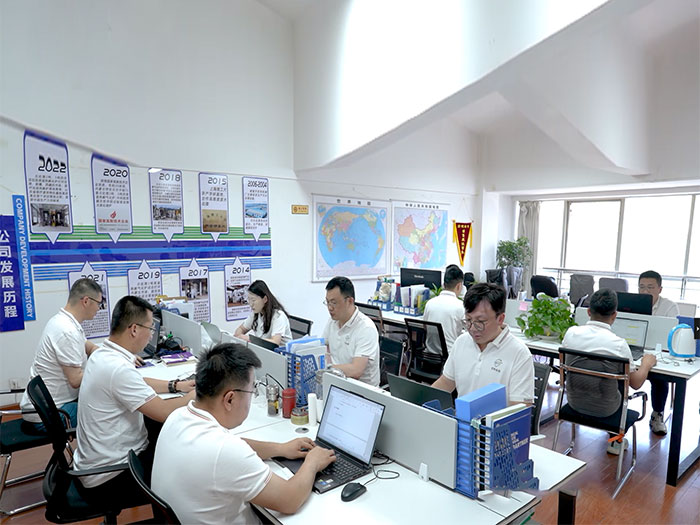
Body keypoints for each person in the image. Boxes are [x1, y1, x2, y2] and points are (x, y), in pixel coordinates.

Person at [152, 343, 336, 524]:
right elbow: (289, 500)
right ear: (230, 399)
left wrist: (280, 448)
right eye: (251, 390)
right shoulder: (224, 450)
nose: (251, 395)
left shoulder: (178, 416)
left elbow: (231, 445)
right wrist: (312, 462)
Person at [74, 295, 196, 508]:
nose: (151, 335)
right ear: (134, 329)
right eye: (151, 328)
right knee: (188, 467)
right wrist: (198, 394)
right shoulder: (117, 368)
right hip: (111, 476)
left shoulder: (103, 355)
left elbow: (136, 382)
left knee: (162, 434)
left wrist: (175, 385)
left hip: (96, 462)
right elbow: (164, 412)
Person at [561, 288, 657, 454]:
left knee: (611, 374)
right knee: (619, 379)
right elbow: (636, 383)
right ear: (614, 315)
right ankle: (615, 441)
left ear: (589, 311)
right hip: (607, 410)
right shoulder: (618, 344)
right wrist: (646, 364)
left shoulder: (571, 333)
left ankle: (614, 440)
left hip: (574, 403)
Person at [19, 278, 103, 429]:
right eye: (99, 303)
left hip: (45, 404)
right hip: (50, 414)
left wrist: (112, 355)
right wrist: (105, 367)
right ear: (86, 301)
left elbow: (88, 347)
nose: (99, 308)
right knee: (105, 409)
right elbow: (76, 380)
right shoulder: (67, 331)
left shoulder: (64, 321)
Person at [432, 283, 534, 405]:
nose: (472, 328)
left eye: (480, 322)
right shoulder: (461, 342)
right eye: (468, 320)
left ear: (500, 319)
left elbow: (520, 408)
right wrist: (421, 401)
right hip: (462, 416)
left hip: (496, 418)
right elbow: (446, 382)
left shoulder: (519, 354)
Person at [638, 270, 680, 436]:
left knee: (660, 378)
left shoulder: (669, 307)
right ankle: (618, 415)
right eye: (641, 287)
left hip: (659, 353)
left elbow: (672, 335)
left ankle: (657, 415)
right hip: (635, 350)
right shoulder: (632, 303)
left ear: (660, 289)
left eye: (650, 287)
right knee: (618, 369)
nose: (645, 291)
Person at [322, 276, 380, 386]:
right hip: (337, 382)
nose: (330, 308)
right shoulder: (333, 321)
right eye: (328, 302)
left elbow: (356, 370)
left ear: (349, 301)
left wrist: (326, 368)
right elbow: (323, 345)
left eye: (334, 303)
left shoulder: (366, 328)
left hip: (361, 390)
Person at [422, 264, 465, 354]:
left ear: (444, 284)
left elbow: (425, 327)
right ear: (459, 286)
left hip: (429, 354)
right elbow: (471, 331)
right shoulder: (460, 306)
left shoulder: (430, 303)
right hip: (450, 356)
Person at [234, 280, 292, 345]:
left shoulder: (278, 316)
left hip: (280, 351)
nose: (251, 304)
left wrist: (251, 339)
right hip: (262, 349)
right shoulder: (256, 313)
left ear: (265, 299)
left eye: (253, 300)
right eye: (249, 300)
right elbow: (241, 328)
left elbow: (275, 342)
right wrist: (239, 336)